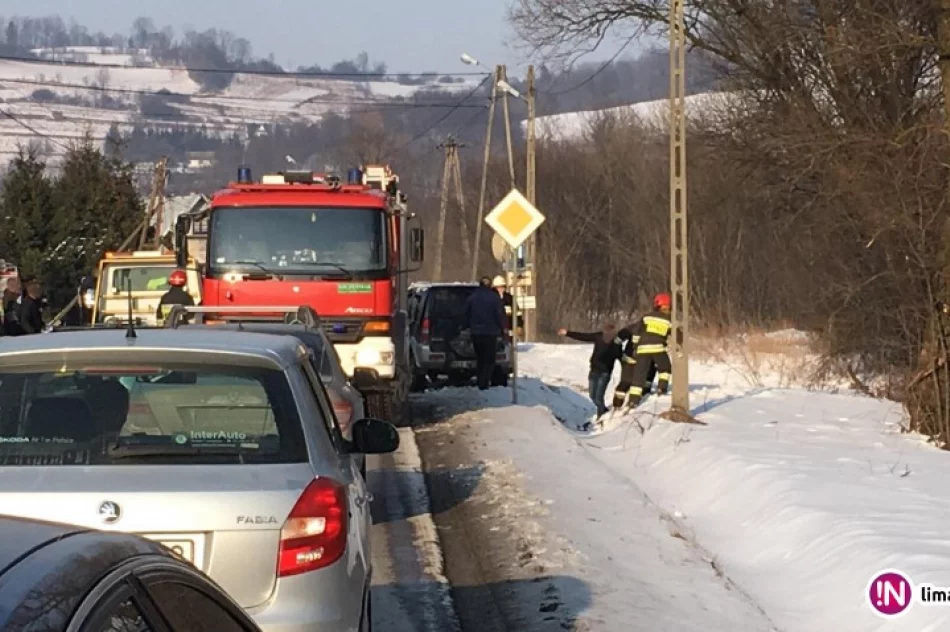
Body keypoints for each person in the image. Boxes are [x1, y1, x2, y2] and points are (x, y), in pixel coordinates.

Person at [557, 323, 624, 417]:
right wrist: (568, 333)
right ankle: (603, 410)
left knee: (598, 398)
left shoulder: (616, 343)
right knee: (593, 396)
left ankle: (601, 415)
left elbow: (620, 357)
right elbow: (584, 336)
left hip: (605, 373)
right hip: (594, 371)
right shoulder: (599, 336)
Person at [621, 292, 673, 410]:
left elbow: (637, 332)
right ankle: (662, 388)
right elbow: (676, 335)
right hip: (658, 348)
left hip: (642, 349)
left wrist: (635, 347)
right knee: (665, 368)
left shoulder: (647, 317)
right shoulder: (669, 320)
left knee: (639, 375)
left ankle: (633, 401)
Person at [464, 276, 506, 390]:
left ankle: (480, 380)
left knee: (480, 357)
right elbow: (500, 316)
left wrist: (467, 327)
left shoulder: (472, 298)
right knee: (489, 359)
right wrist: (503, 330)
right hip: (491, 333)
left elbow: (466, 315)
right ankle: (484, 382)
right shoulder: (495, 298)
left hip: (476, 333)